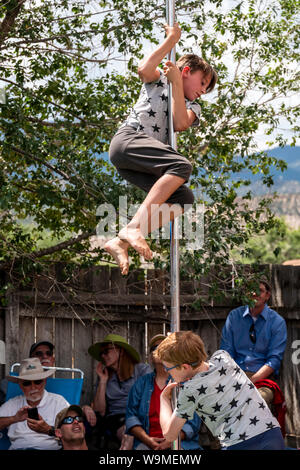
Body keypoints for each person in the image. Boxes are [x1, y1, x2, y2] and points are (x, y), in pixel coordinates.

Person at [103, 22, 217, 275]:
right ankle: (133, 228)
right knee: (181, 165)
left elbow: (179, 122)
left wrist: (178, 85)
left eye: (206, 90)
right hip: (128, 141)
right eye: (203, 83)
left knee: (183, 198)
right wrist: (170, 42)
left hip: (140, 162)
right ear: (186, 70)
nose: (203, 92)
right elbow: (143, 69)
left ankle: (120, 241)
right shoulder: (159, 82)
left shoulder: (193, 106)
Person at [154, 331, 285, 450]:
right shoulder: (223, 358)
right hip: (272, 434)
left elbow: (169, 435)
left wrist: (164, 399)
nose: (166, 371)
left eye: (168, 368)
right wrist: (179, 342)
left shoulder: (190, 390)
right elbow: (192, 354)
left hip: (240, 444)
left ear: (184, 367)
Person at [126, 334, 202, 450]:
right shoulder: (140, 384)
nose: (159, 349)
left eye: (164, 346)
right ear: (151, 356)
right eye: (155, 348)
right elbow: (131, 417)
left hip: (181, 443)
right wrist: (148, 440)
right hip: (147, 444)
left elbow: (192, 423)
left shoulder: (184, 382)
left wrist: (171, 441)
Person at [220, 280, 287, 409]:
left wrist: (251, 381)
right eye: (250, 289)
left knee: (255, 400)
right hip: (235, 375)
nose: (254, 293)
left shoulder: (277, 322)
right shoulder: (234, 317)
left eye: (260, 290)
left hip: (262, 379)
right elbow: (226, 352)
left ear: (267, 295)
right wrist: (236, 379)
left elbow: (274, 360)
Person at [87, 334, 152, 449]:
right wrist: (103, 381)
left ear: (120, 351)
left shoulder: (141, 370)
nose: (103, 355)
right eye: (101, 353)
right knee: (129, 433)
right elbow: (99, 410)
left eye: (106, 351)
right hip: (117, 418)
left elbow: (149, 397)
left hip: (141, 415)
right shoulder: (105, 375)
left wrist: (134, 420)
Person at [0, 357, 69, 450]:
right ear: (20, 385)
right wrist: (14, 418)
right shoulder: (12, 404)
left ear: (44, 381)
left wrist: (47, 429)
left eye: (37, 381)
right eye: (27, 383)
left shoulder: (58, 402)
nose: (33, 387)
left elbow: (72, 432)